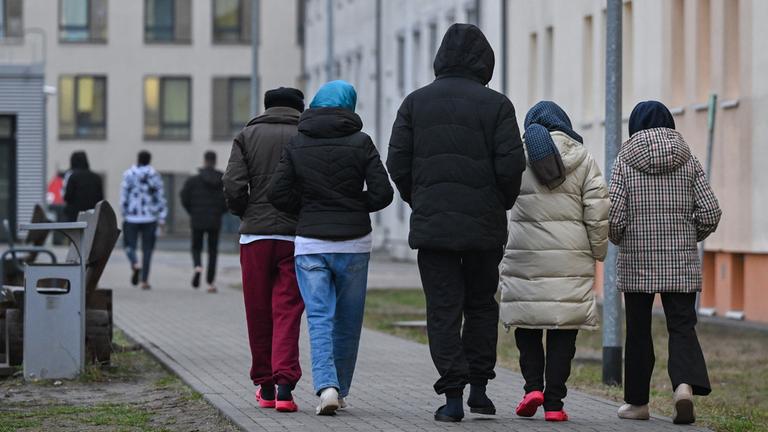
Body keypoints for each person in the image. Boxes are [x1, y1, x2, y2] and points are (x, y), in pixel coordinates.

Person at [386, 24, 526, 422]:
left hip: (434, 229)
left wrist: (422, 199)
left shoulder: (415, 103)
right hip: (484, 228)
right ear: (485, 61)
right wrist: (499, 202)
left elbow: (397, 162)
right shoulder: (498, 106)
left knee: (443, 309)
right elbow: (511, 165)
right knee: (481, 305)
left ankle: (452, 397)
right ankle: (480, 389)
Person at [269, 80, 393, 416]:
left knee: (319, 319)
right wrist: (354, 204)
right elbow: (383, 193)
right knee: (348, 321)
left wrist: (308, 208)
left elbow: (277, 194)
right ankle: (340, 387)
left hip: (310, 243)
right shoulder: (362, 142)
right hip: (354, 243)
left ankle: (327, 387)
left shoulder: (298, 143)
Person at [610, 101, 721, 424]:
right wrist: (690, 236)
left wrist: (622, 239)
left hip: (638, 262)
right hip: (680, 259)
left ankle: (637, 403)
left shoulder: (624, 160)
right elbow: (711, 212)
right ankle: (683, 386)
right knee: (682, 326)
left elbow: (614, 217)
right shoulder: (688, 159)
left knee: (639, 331)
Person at [499, 101, 609, 422]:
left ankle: (532, 387)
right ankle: (554, 404)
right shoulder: (584, 159)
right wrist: (598, 252)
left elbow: (499, 198)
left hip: (525, 256)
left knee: (527, 322)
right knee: (564, 330)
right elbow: (598, 210)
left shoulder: (518, 158)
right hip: (571, 259)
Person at [223, 87, 306, 412]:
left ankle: (266, 388)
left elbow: (232, 183)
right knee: (287, 311)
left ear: (267, 106)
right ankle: (285, 389)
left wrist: (245, 211)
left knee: (258, 312)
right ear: (300, 108)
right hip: (294, 236)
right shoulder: (305, 133)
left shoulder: (247, 135)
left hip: (255, 237)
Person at [181, 151, 227, 293]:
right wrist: (220, 212)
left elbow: (184, 198)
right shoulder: (222, 180)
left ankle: (198, 266)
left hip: (197, 219)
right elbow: (228, 199)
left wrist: (192, 211)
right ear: (215, 161)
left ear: (205, 160)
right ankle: (210, 282)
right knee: (213, 250)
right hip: (214, 219)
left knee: (196, 247)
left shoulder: (193, 181)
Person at [120, 150, 167, 290]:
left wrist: (124, 212)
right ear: (149, 160)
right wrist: (162, 216)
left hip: (131, 216)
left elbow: (123, 195)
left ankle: (135, 263)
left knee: (129, 245)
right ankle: (145, 281)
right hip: (150, 217)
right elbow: (160, 196)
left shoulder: (128, 174)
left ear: (138, 159)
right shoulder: (154, 175)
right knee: (148, 249)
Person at [63, 151, 104, 222]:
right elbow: (100, 198)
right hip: (92, 216)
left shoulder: (73, 177)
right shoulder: (96, 178)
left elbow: (67, 197)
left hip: (75, 217)